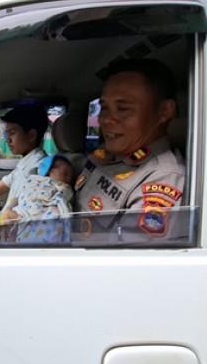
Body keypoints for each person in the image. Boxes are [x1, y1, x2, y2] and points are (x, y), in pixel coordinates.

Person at [73, 59, 185, 237]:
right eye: (104, 108)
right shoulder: (107, 153)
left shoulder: (162, 178)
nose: (106, 119)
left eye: (123, 109)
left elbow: (127, 253)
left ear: (164, 111)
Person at [0, 155, 76, 244]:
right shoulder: (34, 180)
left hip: (40, 213)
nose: (68, 178)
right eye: (65, 173)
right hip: (25, 209)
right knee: (7, 215)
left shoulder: (63, 187)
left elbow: (66, 196)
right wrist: (12, 206)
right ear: (49, 171)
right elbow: (24, 193)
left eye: (70, 177)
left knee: (54, 215)